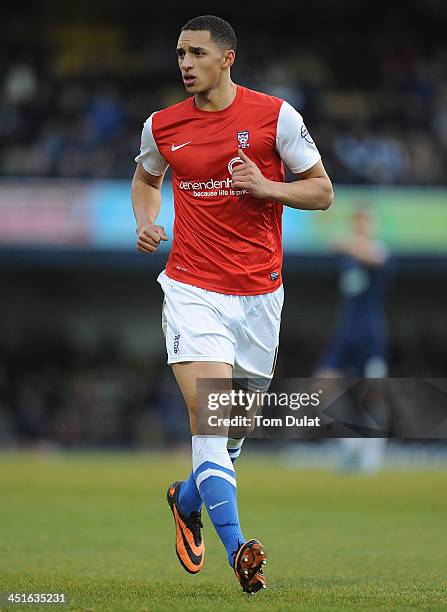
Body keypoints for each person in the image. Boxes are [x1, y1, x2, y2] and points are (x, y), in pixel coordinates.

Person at [131, 15, 333, 593]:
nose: (184, 64)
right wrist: (147, 221)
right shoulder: (162, 126)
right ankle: (239, 551)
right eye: (178, 54)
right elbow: (147, 179)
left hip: (260, 298)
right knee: (209, 421)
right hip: (193, 290)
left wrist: (268, 188)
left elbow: (322, 192)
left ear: (227, 58)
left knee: (231, 436)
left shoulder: (277, 117)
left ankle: (186, 498)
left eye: (195, 53)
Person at [317, 207, 392, 472]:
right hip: (346, 334)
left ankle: (373, 451)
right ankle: (351, 443)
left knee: (372, 392)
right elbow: (331, 243)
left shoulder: (378, 251)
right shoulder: (349, 260)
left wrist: (346, 242)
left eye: (365, 223)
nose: (361, 229)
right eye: (357, 223)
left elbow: (372, 257)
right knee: (323, 385)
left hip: (370, 336)